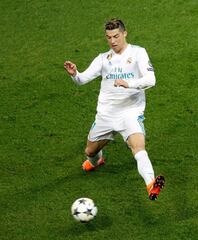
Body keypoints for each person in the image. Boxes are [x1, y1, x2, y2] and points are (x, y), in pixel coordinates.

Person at [63, 18, 164, 200]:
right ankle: (96, 162)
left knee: (138, 147)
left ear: (124, 33)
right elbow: (82, 80)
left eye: (116, 36)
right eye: (109, 37)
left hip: (130, 112)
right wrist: (75, 74)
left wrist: (129, 84)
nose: (113, 41)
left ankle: (150, 184)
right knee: (90, 152)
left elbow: (151, 80)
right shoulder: (103, 59)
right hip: (106, 115)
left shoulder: (138, 53)